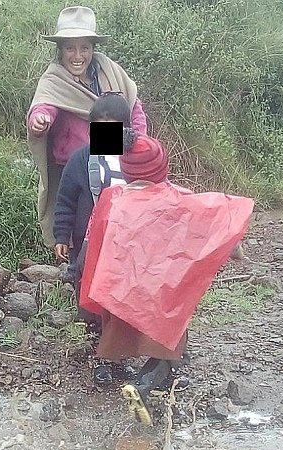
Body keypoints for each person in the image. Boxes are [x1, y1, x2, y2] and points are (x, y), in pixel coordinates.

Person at [80, 132, 254, 420]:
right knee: (171, 349)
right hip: (161, 296)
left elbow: (93, 242)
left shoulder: (113, 199)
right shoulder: (176, 199)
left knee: (125, 336)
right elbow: (213, 221)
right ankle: (143, 387)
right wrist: (235, 249)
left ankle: (144, 387)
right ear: (162, 167)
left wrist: (84, 279)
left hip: (123, 293)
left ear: (126, 168)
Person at [26, 6, 148, 246]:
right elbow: (44, 105)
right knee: (78, 224)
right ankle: (75, 271)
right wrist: (39, 121)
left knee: (116, 225)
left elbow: (133, 106)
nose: (77, 55)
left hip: (114, 160)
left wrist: (138, 140)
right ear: (60, 50)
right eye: (70, 48)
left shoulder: (109, 71)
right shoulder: (55, 79)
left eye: (84, 48)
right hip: (75, 165)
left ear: (93, 49)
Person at [52, 93, 131, 384]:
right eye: (100, 126)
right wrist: (61, 235)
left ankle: (118, 357)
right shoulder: (80, 160)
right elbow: (65, 201)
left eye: (114, 127)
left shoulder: (133, 160)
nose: (107, 133)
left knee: (119, 304)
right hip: (89, 247)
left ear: (126, 129)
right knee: (91, 300)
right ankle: (98, 357)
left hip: (124, 247)